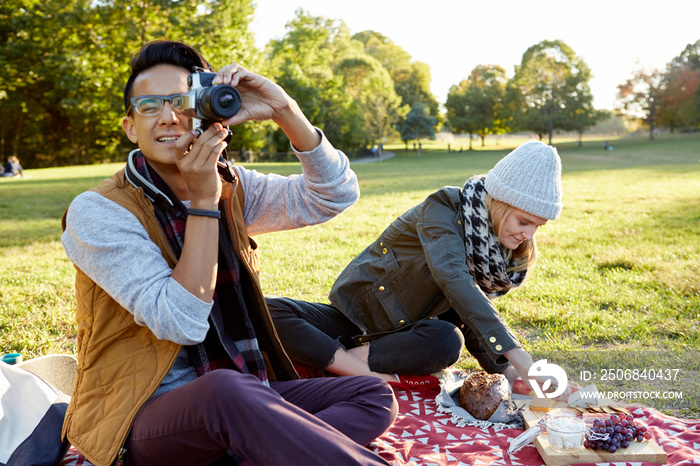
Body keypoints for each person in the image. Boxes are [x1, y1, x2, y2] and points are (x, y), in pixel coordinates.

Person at [61, 40, 397, 466]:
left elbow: (332, 195)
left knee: (369, 394)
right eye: (150, 106)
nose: (168, 117)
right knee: (225, 391)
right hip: (141, 416)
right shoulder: (99, 211)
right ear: (130, 126)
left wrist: (285, 110)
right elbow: (179, 321)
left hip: (240, 395)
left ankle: (259, 450)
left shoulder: (232, 184)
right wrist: (204, 204)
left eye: (182, 102)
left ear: (205, 111)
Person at [267, 140, 573, 399]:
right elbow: (454, 278)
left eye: (538, 226)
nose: (529, 235)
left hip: (402, 338)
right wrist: (519, 357)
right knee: (269, 310)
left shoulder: (494, 247)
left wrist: (506, 371)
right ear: (500, 203)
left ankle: (334, 359)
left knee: (447, 340)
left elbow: (467, 310)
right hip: (355, 320)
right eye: (524, 221)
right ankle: (358, 370)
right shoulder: (442, 207)